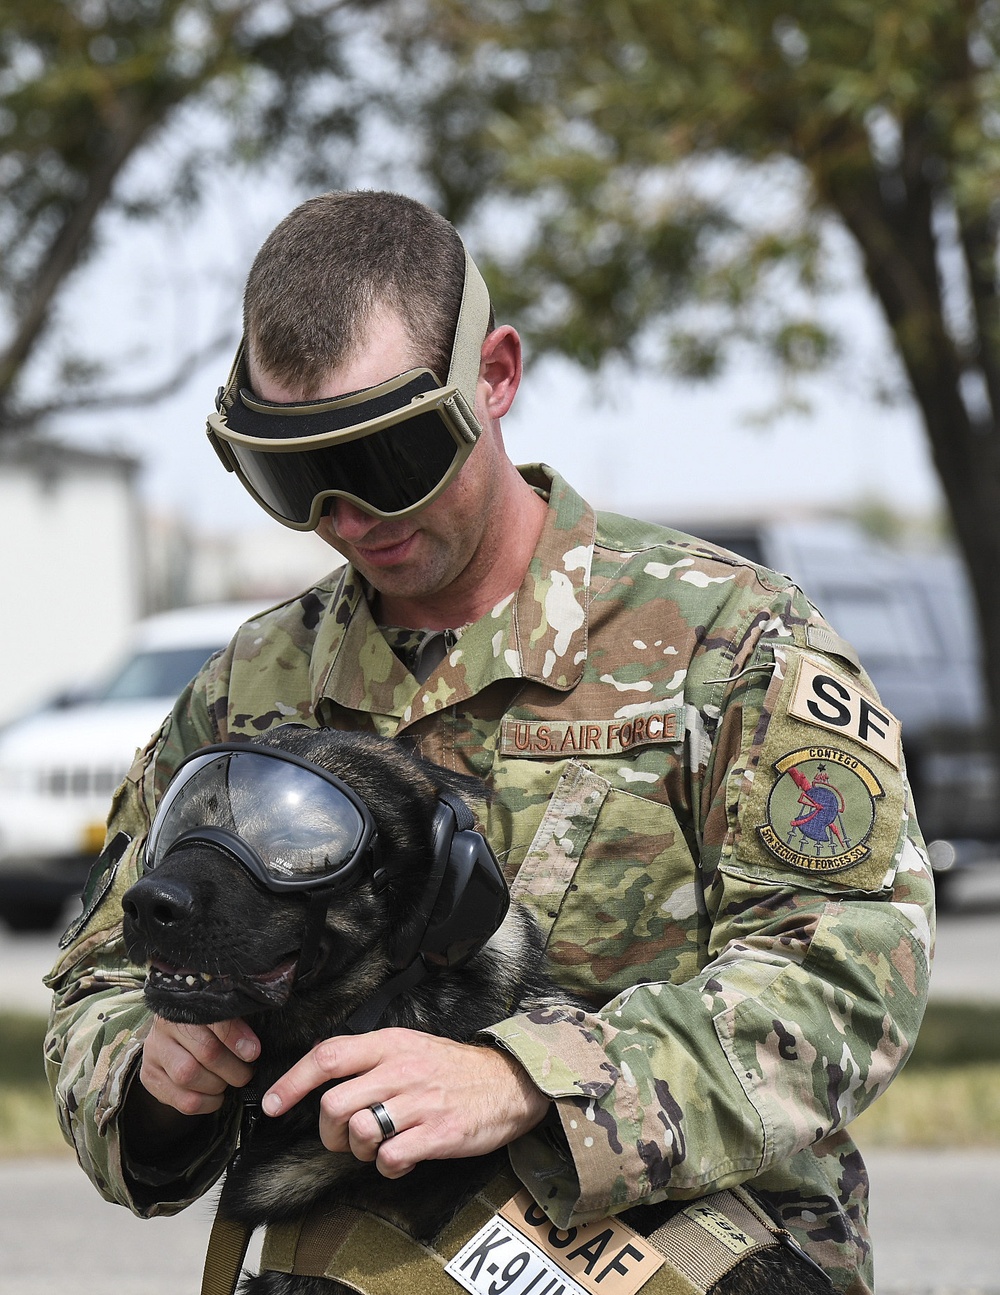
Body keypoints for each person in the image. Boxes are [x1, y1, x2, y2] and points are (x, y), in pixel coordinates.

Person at [45, 191, 933, 1295]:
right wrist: (150, 1063)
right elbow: (95, 982)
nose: (347, 516)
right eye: (295, 476)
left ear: (495, 375)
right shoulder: (254, 688)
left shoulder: (728, 641)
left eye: (387, 458)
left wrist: (529, 1080)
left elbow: (845, 971)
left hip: (682, 1263)